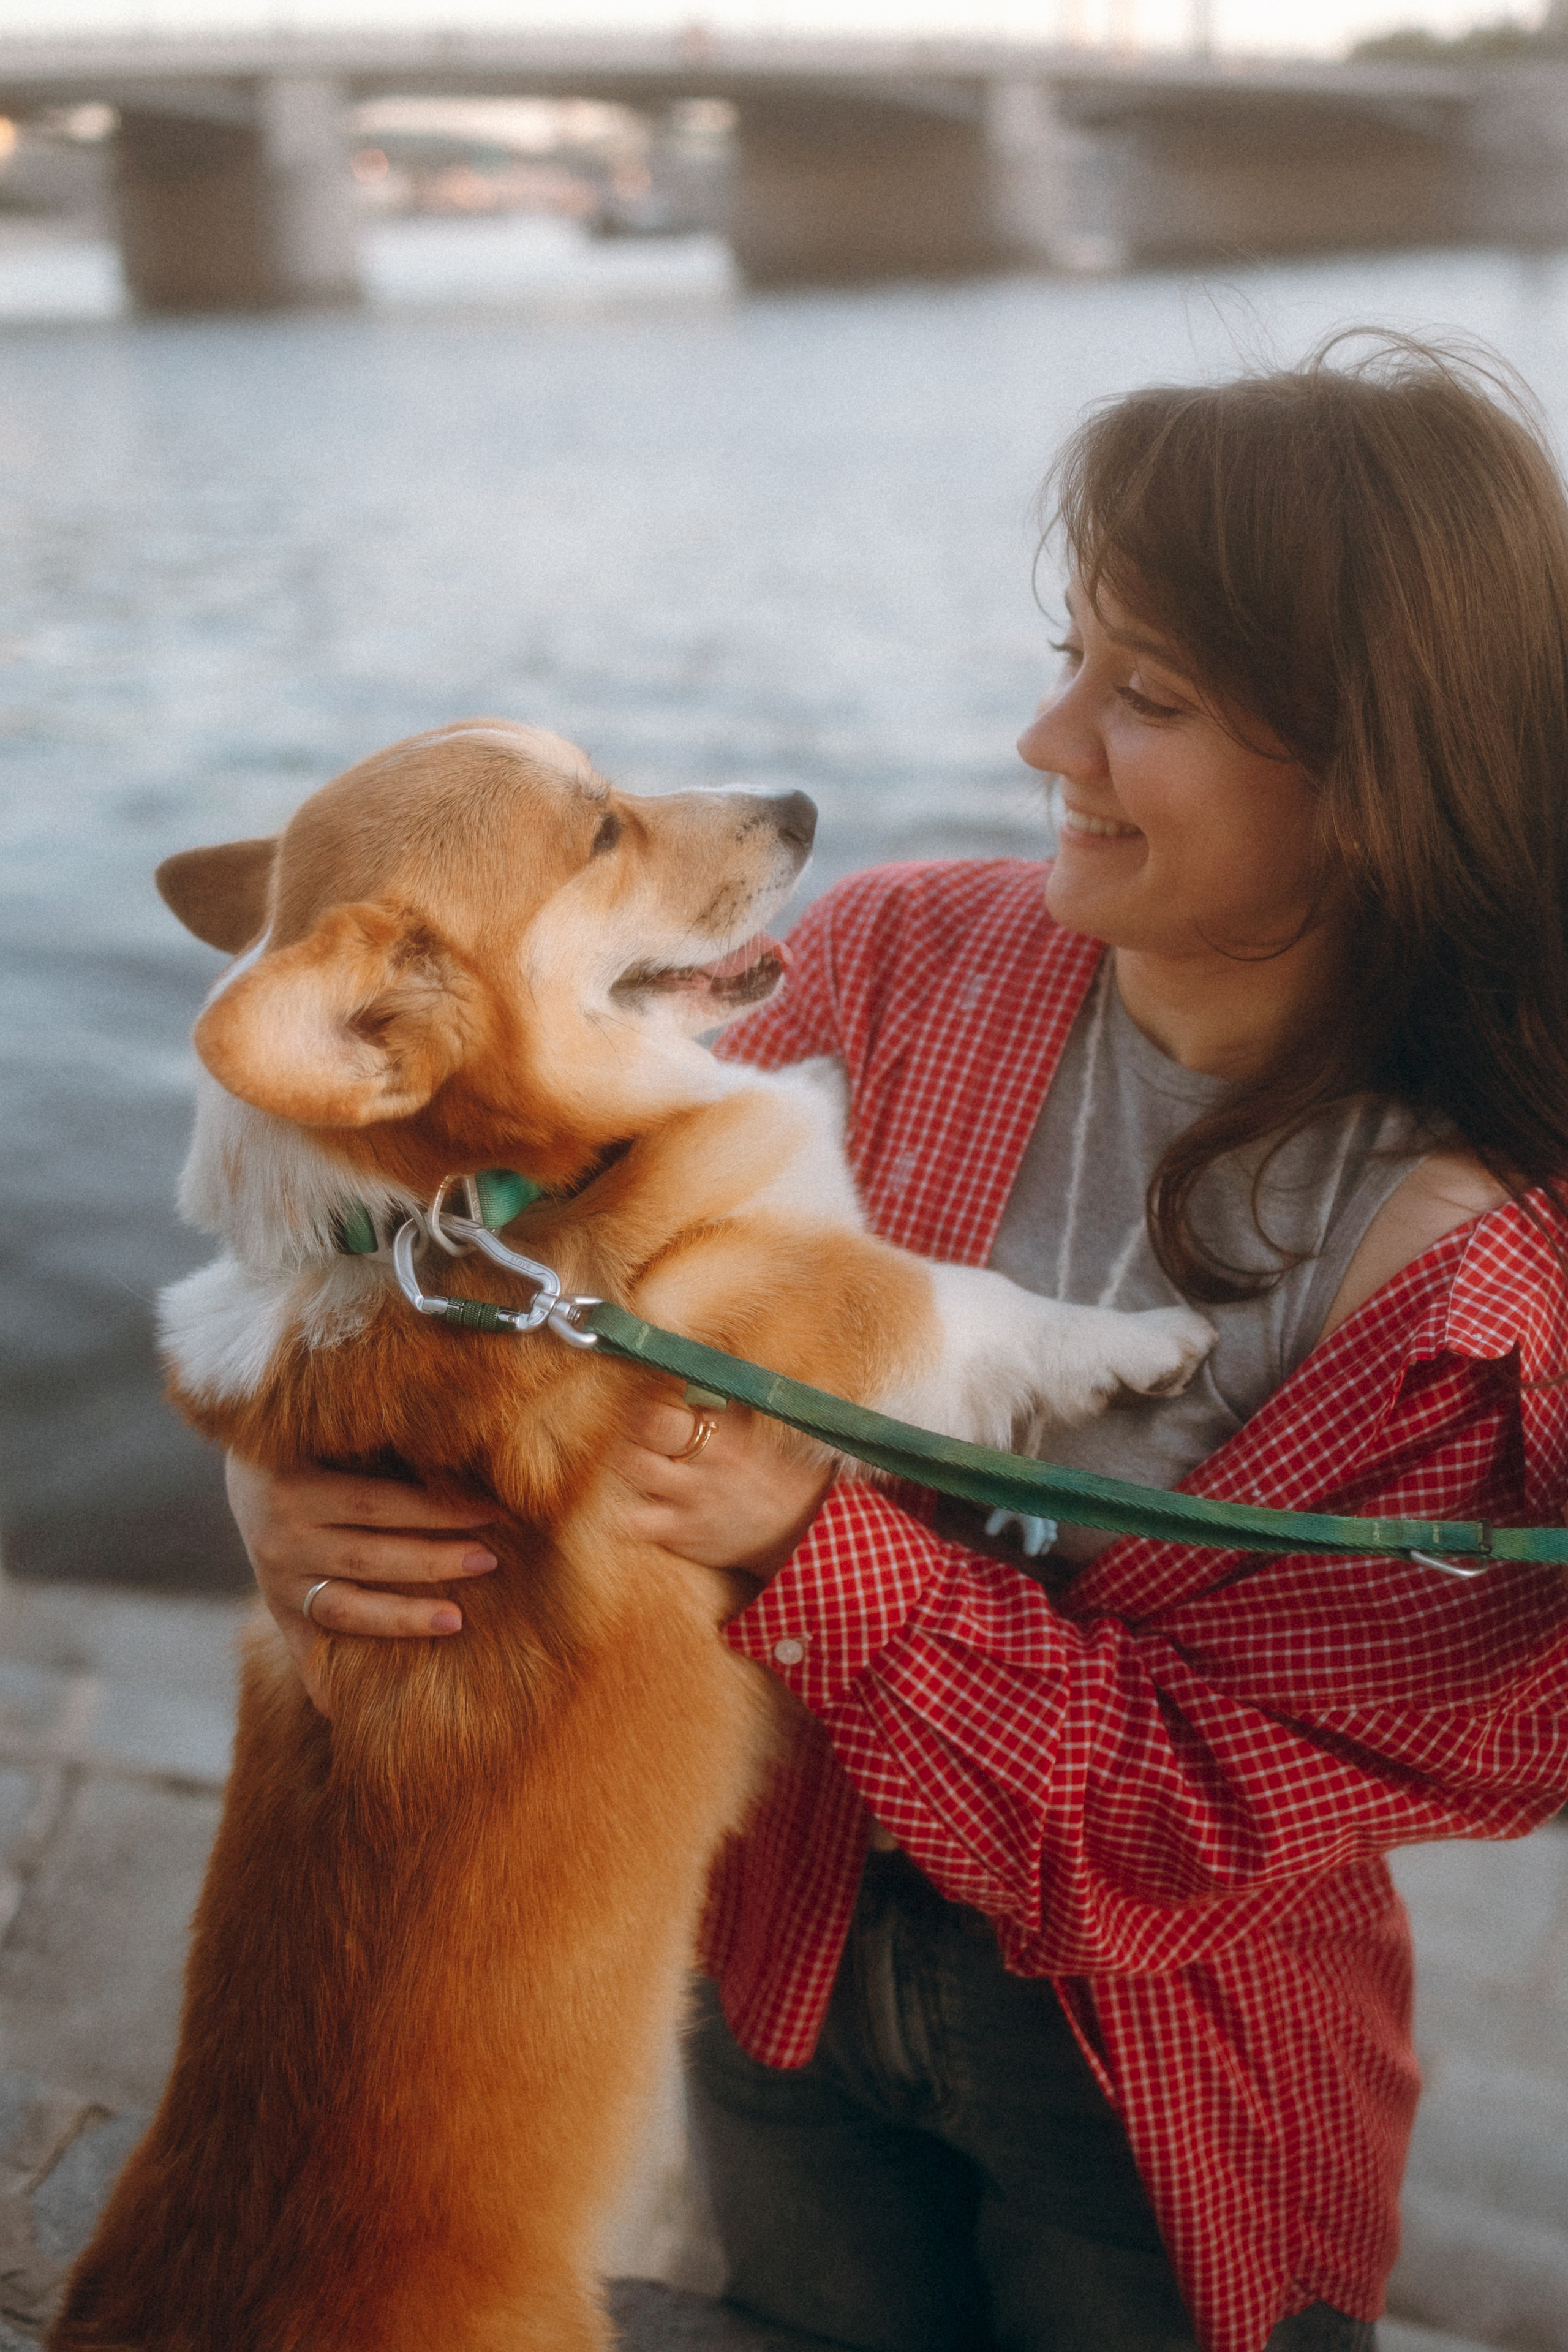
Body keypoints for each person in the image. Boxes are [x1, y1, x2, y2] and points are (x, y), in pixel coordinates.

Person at [225, 333, 1568, 2352]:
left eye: (1150, 699)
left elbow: (1194, 1824)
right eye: (1071, 658)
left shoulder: (1468, 1290)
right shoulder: (902, 959)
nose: (1049, 744)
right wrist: (289, 1479)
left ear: (1385, 780)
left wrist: (805, 1541)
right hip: (765, 1943)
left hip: (1152, 2088)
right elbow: (485, 1216)